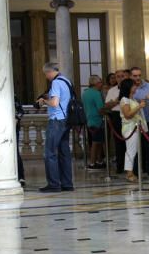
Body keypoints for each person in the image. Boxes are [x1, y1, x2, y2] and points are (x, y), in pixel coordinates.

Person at [37, 62, 75, 192]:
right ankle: (67, 184)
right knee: (64, 153)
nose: (46, 77)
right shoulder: (66, 81)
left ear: (49, 72)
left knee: (50, 153)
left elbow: (54, 102)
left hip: (57, 120)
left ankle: (53, 184)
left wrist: (44, 101)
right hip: (66, 119)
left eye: (46, 74)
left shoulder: (55, 83)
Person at [130, 67, 149, 177]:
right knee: (136, 146)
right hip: (135, 121)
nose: (137, 78)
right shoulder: (129, 87)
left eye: (139, 75)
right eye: (135, 76)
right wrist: (143, 98)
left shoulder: (148, 86)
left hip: (148, 119)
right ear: (131, 76)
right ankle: (136, 171)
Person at [118, 78, 146, 182]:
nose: (135, 87)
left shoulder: (132, 99)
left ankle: (133, 171)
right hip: (130, 128)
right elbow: (128, 115)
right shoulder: (125, 100)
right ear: (129, 87)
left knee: (135, 150)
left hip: (136, 127)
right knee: (131, 150)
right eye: (133, 85)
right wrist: (139, 106)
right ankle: (129, 173)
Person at [103, 68, 127, 173]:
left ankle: (132, 167)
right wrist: (116, 101)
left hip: (129, 115)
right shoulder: (112, 90)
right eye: (118, 76)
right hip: (117, 116)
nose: (120, 78)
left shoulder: (131, 88)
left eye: (122, 76)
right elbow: (107, 105)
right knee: (119, 142)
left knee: (130, 142)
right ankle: (120, 166)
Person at [82, 75, 105, 169]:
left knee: (97, 141)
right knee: (96, 142)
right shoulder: (96, 93)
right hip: (97, 120)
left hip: (89, 119)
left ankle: (99, 161)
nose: (101, 84)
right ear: (95, 83)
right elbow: (100, 109)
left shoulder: (85, 93)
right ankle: (92, 162)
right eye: (100, 82)